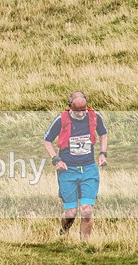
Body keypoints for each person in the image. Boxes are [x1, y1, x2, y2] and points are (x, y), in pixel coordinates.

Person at [43, 91, 108, 238]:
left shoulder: (94, 117)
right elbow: (47, 140)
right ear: (70, 106)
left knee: (87, 210)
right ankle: (63, 233)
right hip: (68, 170)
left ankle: (84, 245)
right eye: (77, 110)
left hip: (89, 169)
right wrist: (56, 159)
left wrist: (103, 153)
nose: (80, 114)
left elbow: (103, 133)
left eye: (83, 110)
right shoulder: (61, 120)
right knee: (70, 213)